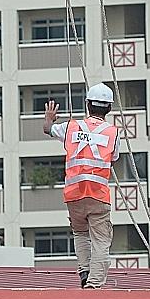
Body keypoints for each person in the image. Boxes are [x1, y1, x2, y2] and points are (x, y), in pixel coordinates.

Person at [43, 82, 119, 288]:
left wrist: (49, 119)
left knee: (80, 233)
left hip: (74, 193)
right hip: (98, 194)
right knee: (101, 240)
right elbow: (113, 158)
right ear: (109, 108)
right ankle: (93, 284)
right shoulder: (113, 132)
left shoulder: (71, 126)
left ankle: (85, 271)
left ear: (87, 104)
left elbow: (48, 129)